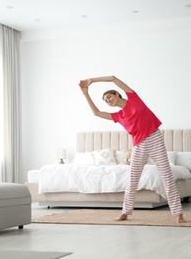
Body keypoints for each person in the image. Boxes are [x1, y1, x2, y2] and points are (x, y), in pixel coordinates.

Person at [79, 76, 185, 223]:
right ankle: (125, 212)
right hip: (139, 144)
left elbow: (113, 78)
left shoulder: (133, 98)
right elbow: (96, 113)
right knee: (133, 179)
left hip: (155, 138)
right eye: (106, 101)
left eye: (109, 97)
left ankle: (178, 213)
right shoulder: (118, 116)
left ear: (117, 94)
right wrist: (85, 92)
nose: (108, 101)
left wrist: (93, 81)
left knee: (166, 175)